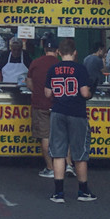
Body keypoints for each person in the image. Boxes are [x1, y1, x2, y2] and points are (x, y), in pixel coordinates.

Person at [45, 38, 96, 202]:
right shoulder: (80, 69)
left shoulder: (52, 69)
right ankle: (83, 191)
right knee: (79, 153)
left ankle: (58, 193)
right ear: (75, 52)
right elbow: (84, 93)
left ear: (59, 52)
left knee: (58, 152)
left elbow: (47, 93)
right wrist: (91, 91)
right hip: (76, 112)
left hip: (58, 111)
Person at [26, 34, 61, 178]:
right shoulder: (60, 64)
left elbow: (28, 81)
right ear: (57, 50)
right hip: (59, 105)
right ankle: (66, 166)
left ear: (45, 48)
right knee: (60, 136)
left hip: (40, 105)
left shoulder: (36, 62)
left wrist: (37, 91)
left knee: (45, 137)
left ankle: (50, 168)